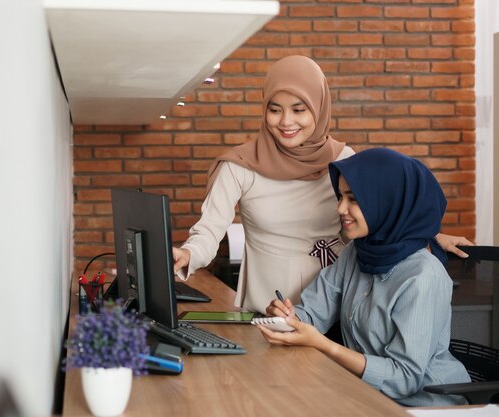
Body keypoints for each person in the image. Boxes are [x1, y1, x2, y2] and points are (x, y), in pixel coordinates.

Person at [172, 55, 472, 314]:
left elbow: (377, 215)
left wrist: (429, 236)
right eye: (275, 109)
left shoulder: (343, 159)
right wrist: (188, 255)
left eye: (299, 110)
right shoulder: (238, 165)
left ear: (319, 106)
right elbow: (209, 231)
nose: (286, 121)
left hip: (341, 299)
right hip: (270, 305)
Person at [258, 148, 471, 407]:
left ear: (387, 202)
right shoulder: (356, 252)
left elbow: (405, 379)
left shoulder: (423, 277)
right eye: (340, 197)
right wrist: (289, 319)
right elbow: (313, 312)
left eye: (353, 199)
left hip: (422, 405)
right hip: (364, 395)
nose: (340, 208)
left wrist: (325, 346)